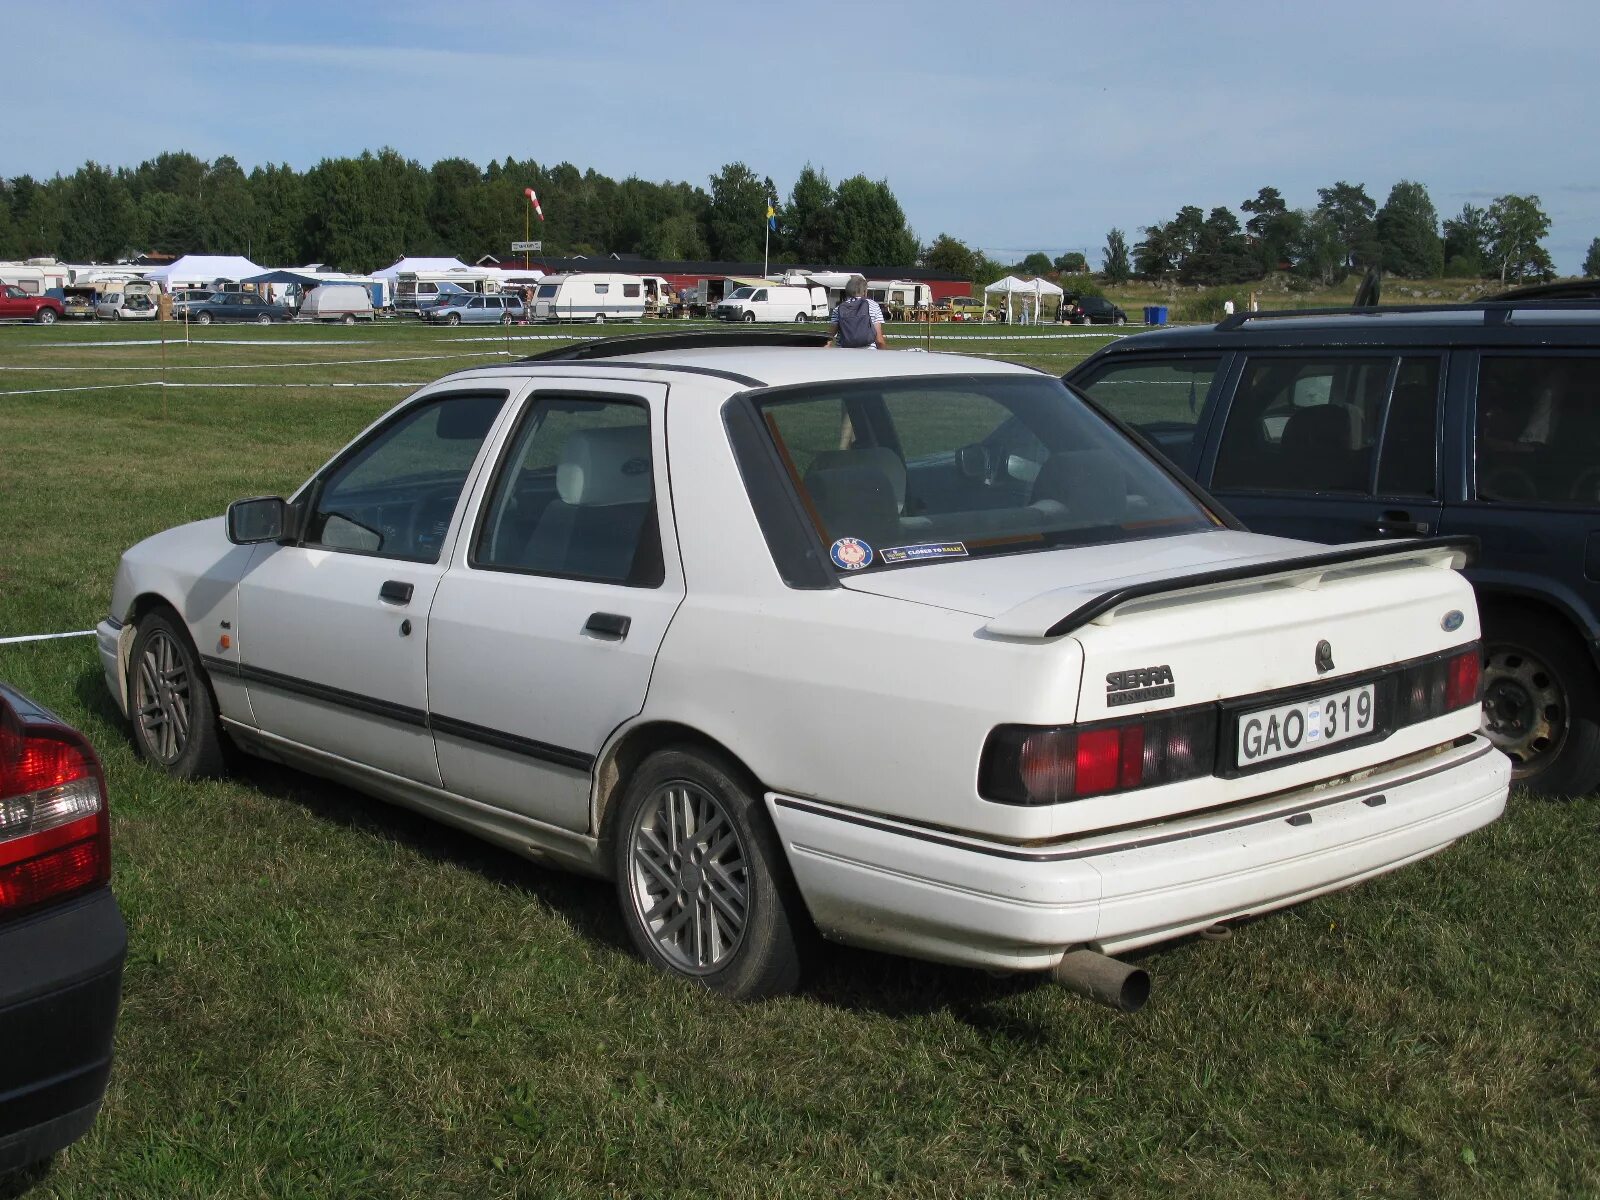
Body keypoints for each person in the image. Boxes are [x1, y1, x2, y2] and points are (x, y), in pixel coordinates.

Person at [826, 276, 887, 349]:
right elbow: (879, 340)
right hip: (869, 354)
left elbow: (830, 337)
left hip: (843, 354)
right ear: (865, 291)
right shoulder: (873, 306)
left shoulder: (838, 308)